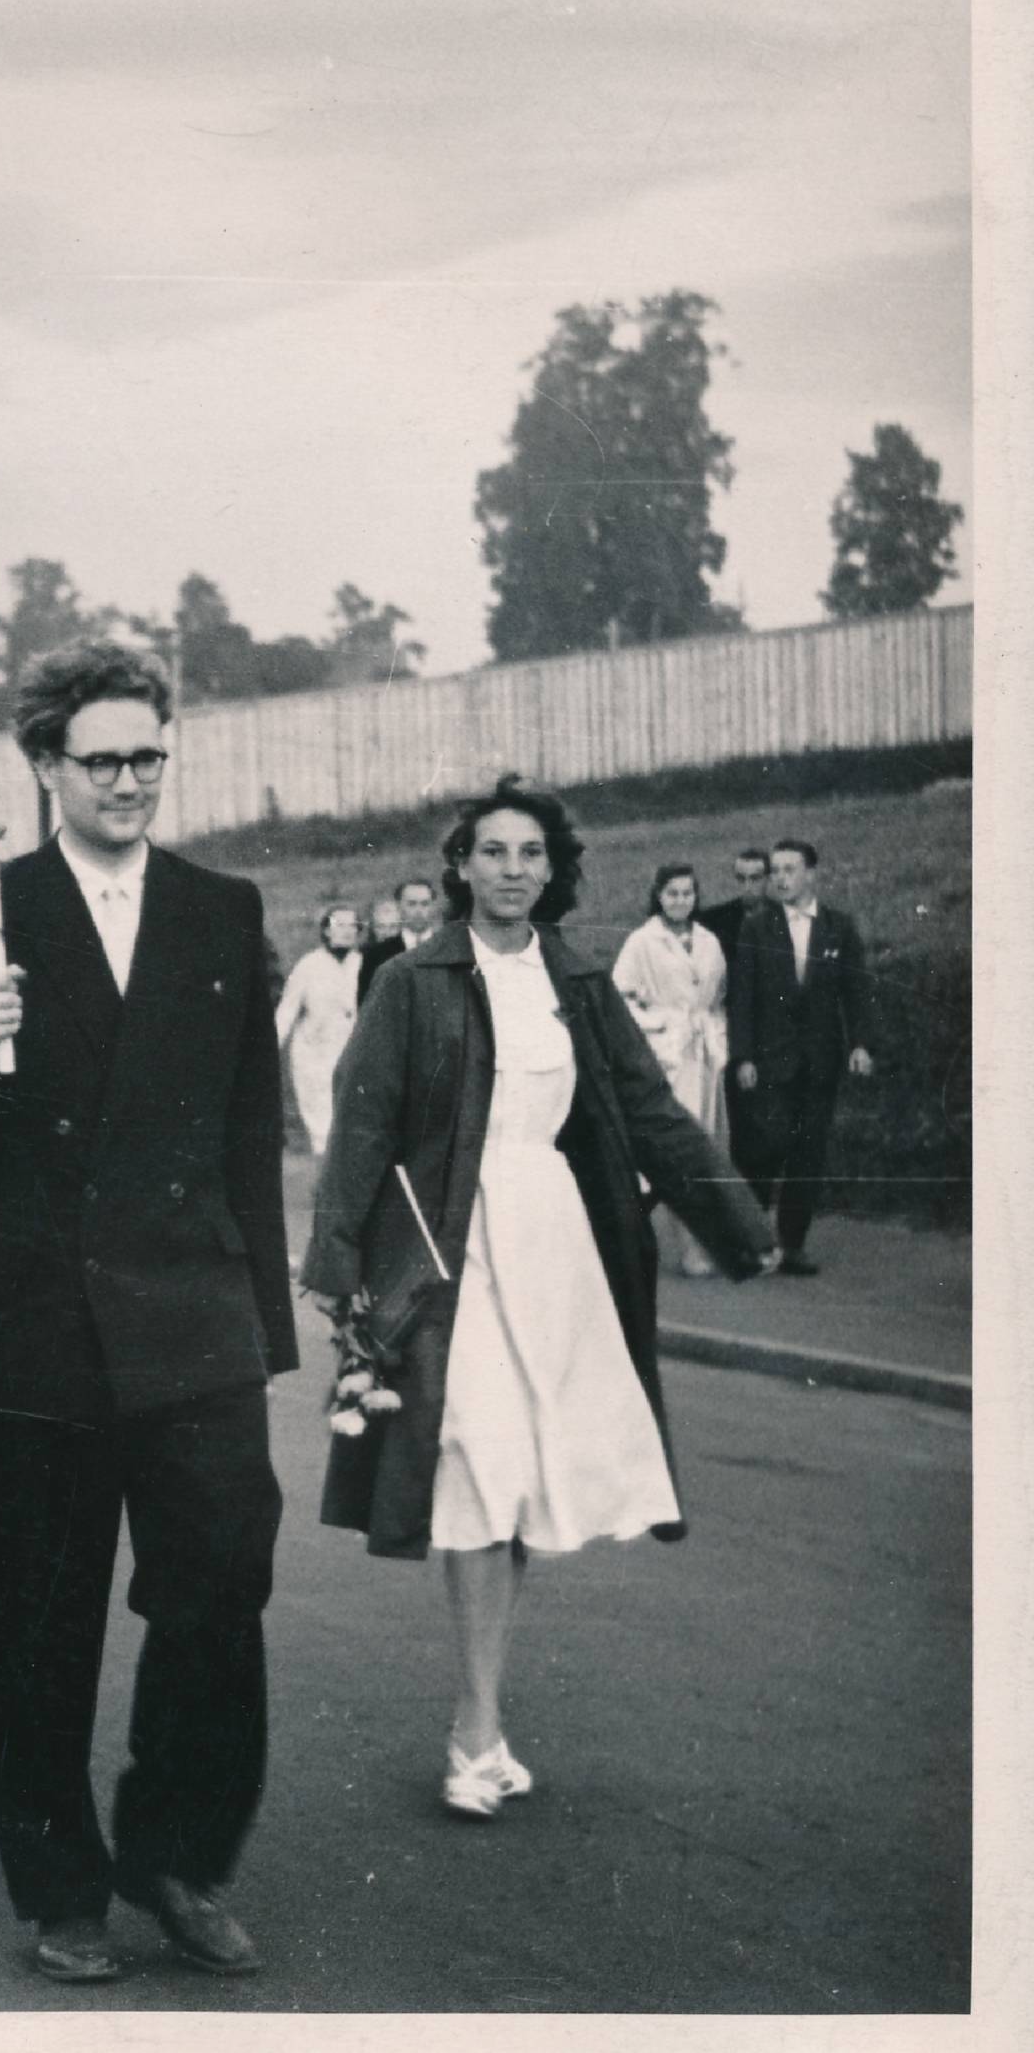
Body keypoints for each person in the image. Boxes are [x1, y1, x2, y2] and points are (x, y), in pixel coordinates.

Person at [0, 641, 294, 1986]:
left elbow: (251, 1132)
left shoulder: (222, 909)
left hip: (193, 1312)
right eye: (102, 759)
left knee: (222, 1583)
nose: (129, 781)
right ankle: (61, 1883)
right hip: (38, 1320)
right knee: (36, 1612)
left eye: (148, 757)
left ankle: (178, 1852)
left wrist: (266, 1325)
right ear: (46, 768)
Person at [299, 777, 776, 1818]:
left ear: (553, 871)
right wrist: (338, 1271)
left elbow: (649, 1116)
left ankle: (485, 1722)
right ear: (460, 867)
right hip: (447, 1255)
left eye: (531, 854)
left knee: (514, 1483)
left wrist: (739, 1224)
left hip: (553, 1246)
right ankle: (474, 1734)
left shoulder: (579, 979)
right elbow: (360, 1131)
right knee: (473, 1461)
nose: (512, 870)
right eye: (493, 852)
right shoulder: (413, 983)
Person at [726, 838, 874, 1275]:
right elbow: (743, 998)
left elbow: (857, 992)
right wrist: (744, 1057)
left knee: (808, 1154)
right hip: (769, 1063)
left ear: (812, 873)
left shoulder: (838, 927)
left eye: (790, 870)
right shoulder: (757, 926)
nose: (780, 879)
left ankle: (792, 1245)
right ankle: (752, 1240)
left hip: (820, 1064)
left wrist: (860, 1044)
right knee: (767, 1147)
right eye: (776, 871)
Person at [612, 863, 734, 1276]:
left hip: (703, 1057)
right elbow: (620, 999)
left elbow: (717, 998)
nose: (680, 901)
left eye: (687, 894)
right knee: (669, 1154)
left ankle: (700, 1248)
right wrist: (659, 1026)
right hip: (667, 1057)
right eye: (672, 894)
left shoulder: (708, 941)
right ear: (658, 896)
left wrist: (714, 1031)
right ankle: (634, 1245)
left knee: (705, 1149)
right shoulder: (642, 942)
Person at [274, 903, 364, 1156]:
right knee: (323, 1130)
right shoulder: (309, 966)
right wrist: (269, 1050)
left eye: (352, 926)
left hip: (354, 1056)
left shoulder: (363, 964)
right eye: (339, 925)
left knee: (354, 1125)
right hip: (314, 1058)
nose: (346, 931)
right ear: (325, 930)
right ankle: (323, 1187)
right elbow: (286, 1011)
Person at [357, 878, 440, 999]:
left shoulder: (449, 949)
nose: (419, 911)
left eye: (425, 904)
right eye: (412, 904)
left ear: (433, 906)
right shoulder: (376, 955)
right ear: (399, 906)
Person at [695, 846, 770, 968]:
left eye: (755, 879)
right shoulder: (713, 919)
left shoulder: (783, 918)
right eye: (741, 879)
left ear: (768, 879)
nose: (747, 887)